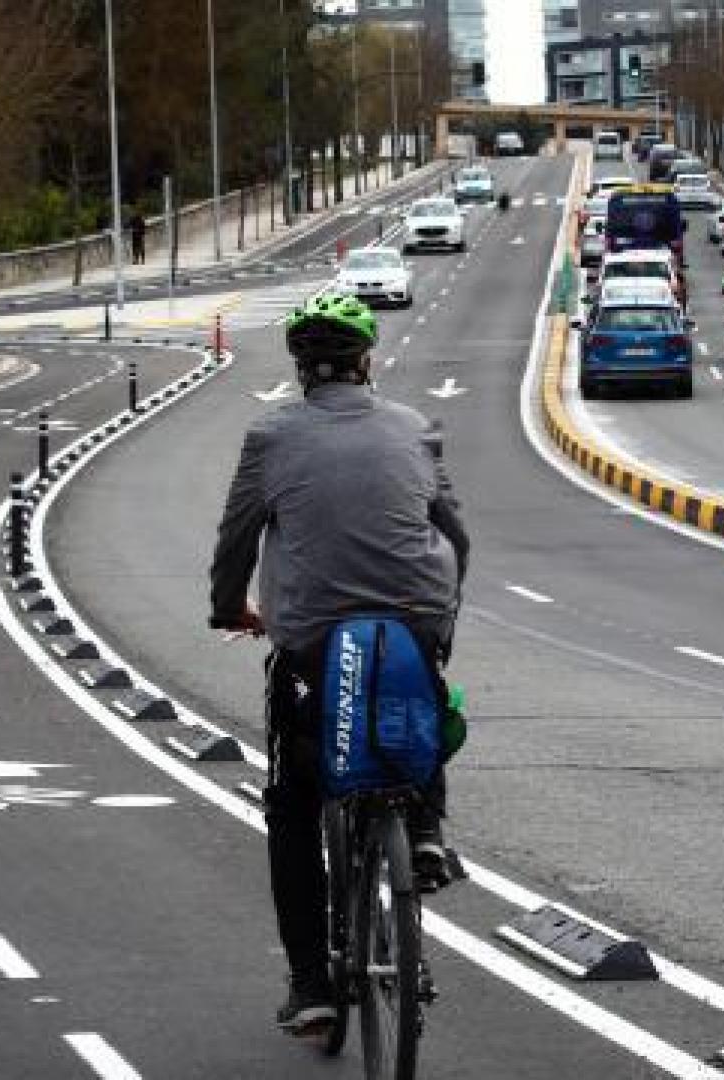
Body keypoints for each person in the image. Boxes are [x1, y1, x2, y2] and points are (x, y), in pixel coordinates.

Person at [209, 292, 470, 1036]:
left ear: (300, 369)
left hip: (314, 643)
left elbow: (236, 541)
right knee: (419, 687)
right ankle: (422, 830)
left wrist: (230, 607)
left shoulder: (270, 436)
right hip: (414, 623)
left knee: (293, 803)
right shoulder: (416, 429)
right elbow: (458, 537)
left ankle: (312, 985)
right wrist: (442, 622)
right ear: (365, 363)